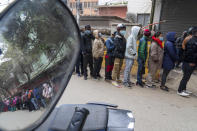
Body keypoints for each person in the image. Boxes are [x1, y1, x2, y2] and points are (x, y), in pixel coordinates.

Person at [177, 27, 197, 97]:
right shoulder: (189, 39)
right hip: (188, 62)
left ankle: (183, 89)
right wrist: (190, 61)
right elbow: (187, 51)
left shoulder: (191, 38)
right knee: (185, 77)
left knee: (187, 77)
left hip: (188, 61)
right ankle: (180, 90)